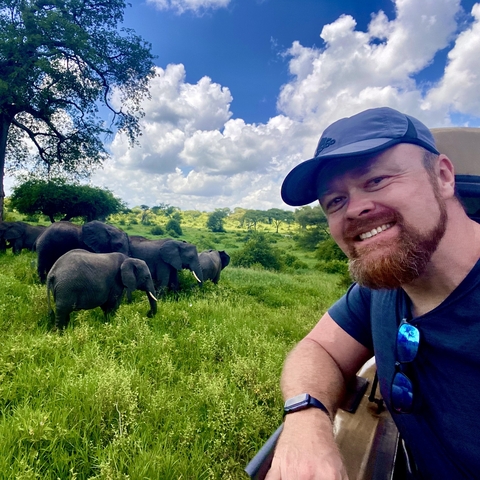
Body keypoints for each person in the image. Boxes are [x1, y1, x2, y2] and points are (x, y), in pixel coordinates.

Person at [267, 107, 480, 479]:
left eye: (377, 180)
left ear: (443, 176)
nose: (354, 210)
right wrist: (307, 418)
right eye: (334, 201)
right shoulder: (382, 288)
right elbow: (320, 349)